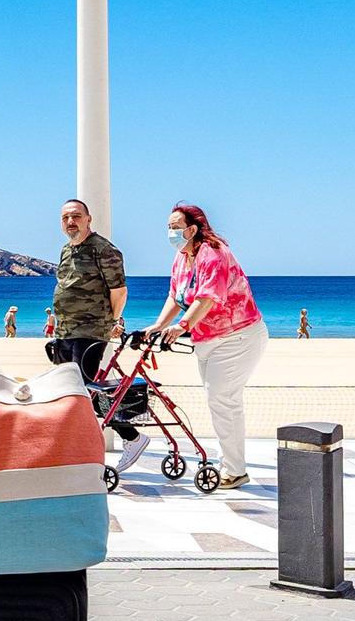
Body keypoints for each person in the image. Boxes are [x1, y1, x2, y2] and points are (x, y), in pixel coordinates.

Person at [145, 202, 267, 490]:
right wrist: (158, 325)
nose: (171, 232)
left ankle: (235, 470)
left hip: (238, 336)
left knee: (223, 401)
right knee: (221, 402)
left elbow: (207, 297)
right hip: (208, 341)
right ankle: (231, 464)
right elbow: (176, 297)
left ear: (193, 228)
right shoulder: (181, 257)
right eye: (168, 227)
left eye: (175, 227)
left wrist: (182, 327)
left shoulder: (213, 253)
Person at [51, 197, 145, 473]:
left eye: (77, 216)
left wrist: (111, 322)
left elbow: (119, 292)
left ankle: (132, 437)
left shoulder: (104, 250)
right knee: (69, 392)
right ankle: (74, 448)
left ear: (88, 219)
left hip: (90, 331)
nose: (71, 221)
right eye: (66, 217)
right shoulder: (66, 250)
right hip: (65, 332)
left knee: (85, 393)